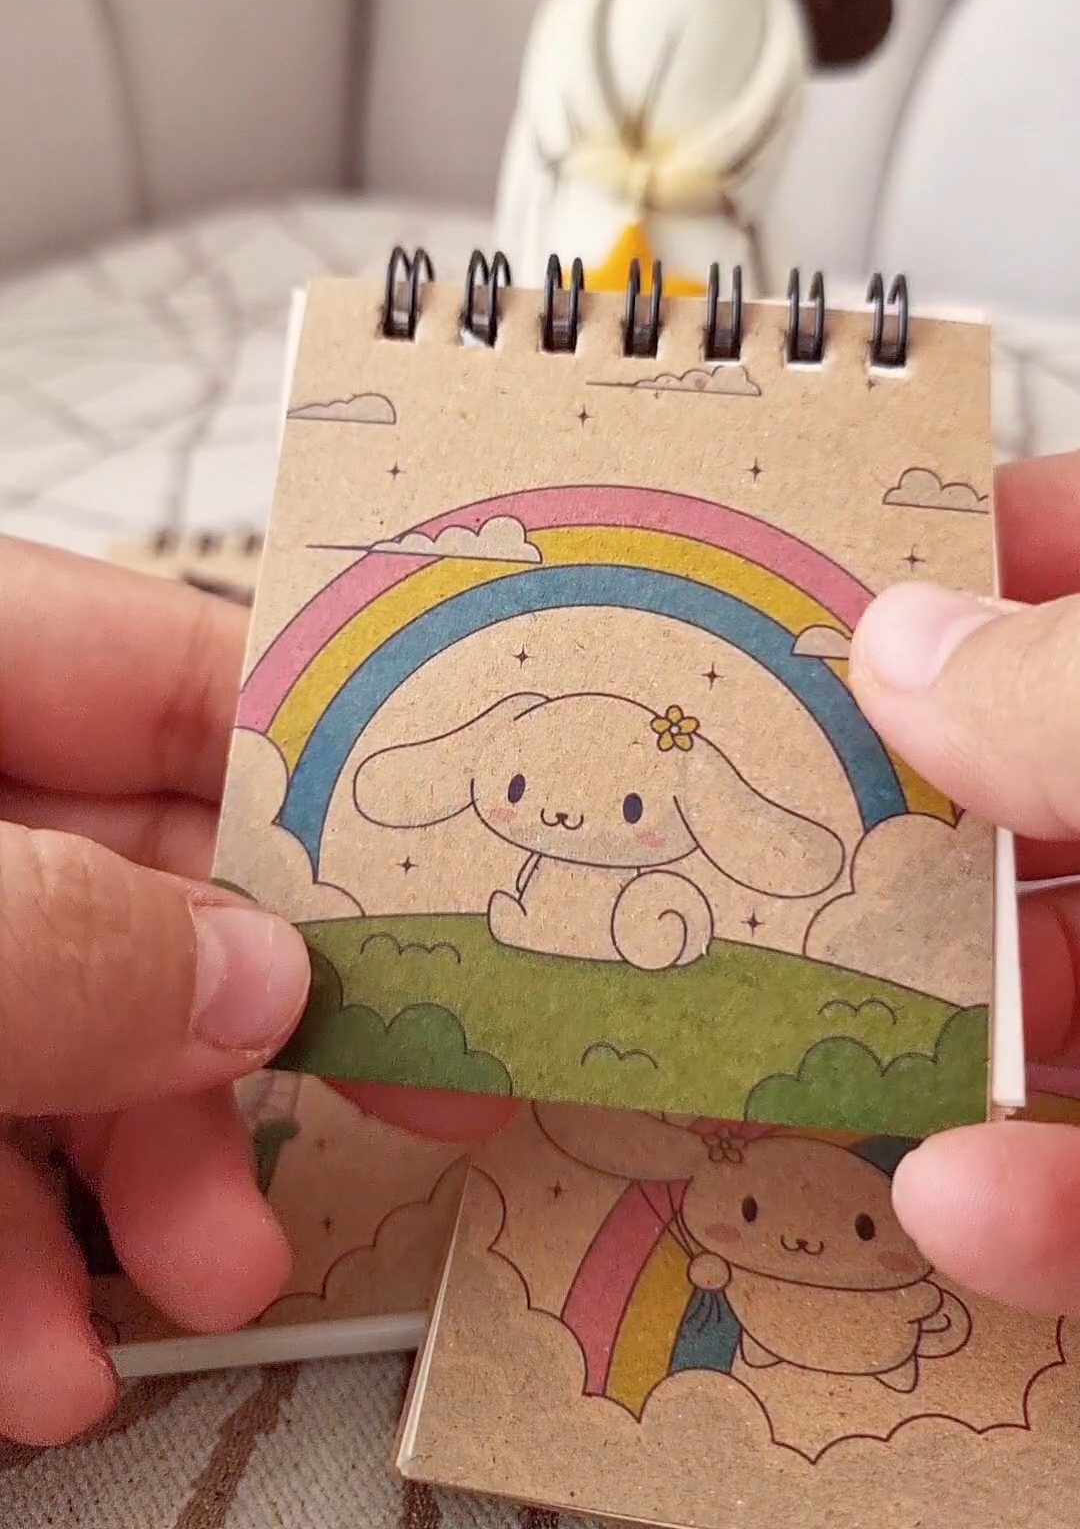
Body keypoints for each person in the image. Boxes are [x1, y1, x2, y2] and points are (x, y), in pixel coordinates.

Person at [0, 446, 1078, 1445]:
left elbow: (767, 839)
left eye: (623, 805)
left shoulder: (701, 809)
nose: (558, 815)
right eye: (520, 788)